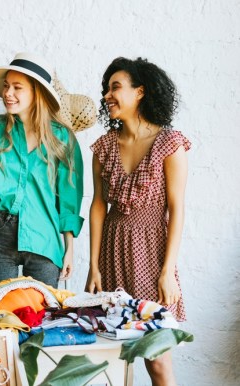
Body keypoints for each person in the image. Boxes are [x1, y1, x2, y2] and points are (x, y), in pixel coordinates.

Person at [85, 57, 190, 385]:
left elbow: (177, 209)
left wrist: (168, 271)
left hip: (152, 255)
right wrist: (93, 266)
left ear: (140, 91)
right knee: (114, 358)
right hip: (112, 255)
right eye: (106, 89)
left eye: (115, 87)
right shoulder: (103, 147)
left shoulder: (170, 144)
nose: (107, 95)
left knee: (157, 361)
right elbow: (98, 206)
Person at [0, 52, 84, 288]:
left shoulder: (62, 138)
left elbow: (68, 199)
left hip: (44, 234)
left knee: (42, 314)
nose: (7, 94)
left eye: (17, 87)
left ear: (37, 92)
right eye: (5, 86)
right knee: (0, 314)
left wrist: (69, 250)